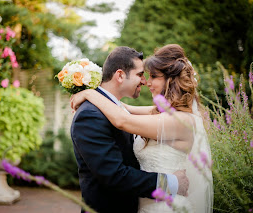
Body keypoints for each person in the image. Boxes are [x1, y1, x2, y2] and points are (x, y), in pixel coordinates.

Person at [71, 44, 214, 213]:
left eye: (153, 76)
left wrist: (89, 93)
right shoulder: (160, 114)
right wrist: (93, 94)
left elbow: (123, 120)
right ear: (120, 75)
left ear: (170, 80)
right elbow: (124, 109)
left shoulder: (181, 120)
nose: (146, 81)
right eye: (142, 75)